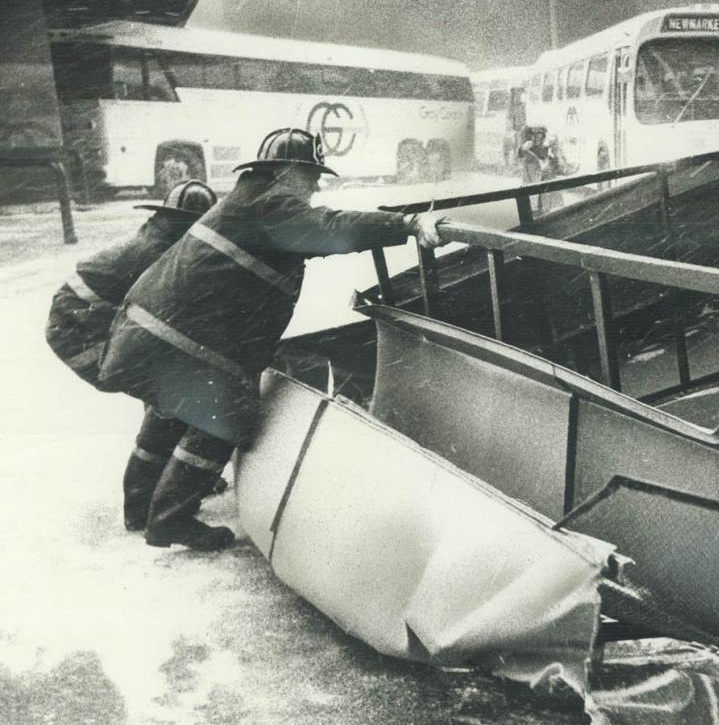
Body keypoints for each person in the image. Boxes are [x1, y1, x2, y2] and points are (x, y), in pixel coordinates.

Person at [96, 129, 444, 551]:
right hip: (177, 339)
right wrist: (406, 224)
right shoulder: (271, 202)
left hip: (151, 333)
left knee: (168, 414)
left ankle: (139, 509)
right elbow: (327, 228)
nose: (316, 185)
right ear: (286, 172)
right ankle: (170, 520)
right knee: (223, 415)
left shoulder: (248, 202)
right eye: (311, 175)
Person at [45, 180, 221, 533]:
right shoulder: (161, 253)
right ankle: (144, 503)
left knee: (166, 390)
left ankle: (159, 485)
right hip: (78, 333)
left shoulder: (157, 237)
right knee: (171, 399)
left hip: (81, 323)